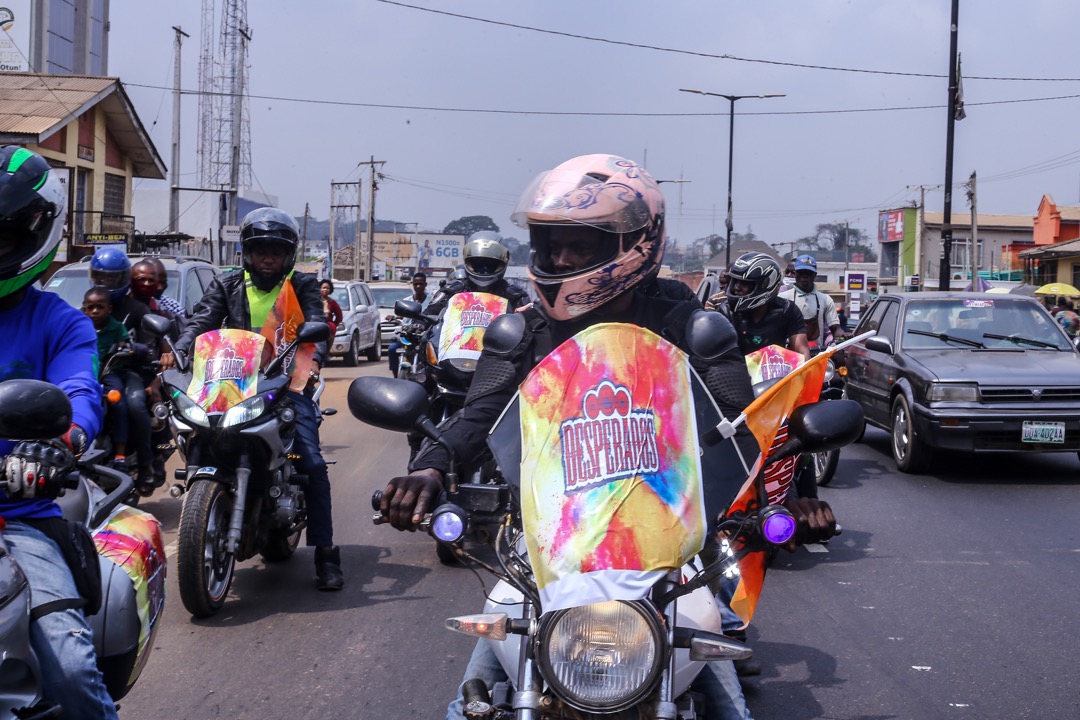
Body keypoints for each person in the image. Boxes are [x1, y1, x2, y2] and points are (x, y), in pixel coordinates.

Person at [380, 155, 837, 720]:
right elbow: (477, 417)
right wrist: (428, 467)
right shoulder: (520, 331)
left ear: (634, 244)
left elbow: (737, 432)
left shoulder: (693, 329)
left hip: (664, 545)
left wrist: (786, 502)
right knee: (472, 694)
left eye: (579, 245)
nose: (560, 260)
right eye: (551, 245)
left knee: (728, 701)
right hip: (550, 541)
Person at [166, 207, 344, 591]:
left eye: (276, 252)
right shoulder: (227, 283)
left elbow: (316, 326)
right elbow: (201, 322)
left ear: (288, 255)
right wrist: (178, 349)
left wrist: (314, 360)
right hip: (235, 381)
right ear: (247, 252)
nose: (268, 258)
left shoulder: (302, 285)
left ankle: (327, 554)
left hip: (287, 381)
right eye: (261, 250)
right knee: (198, 429)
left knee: (311, 463)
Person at [0, 146, 116, 717]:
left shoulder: (62, 323)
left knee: (70, 669)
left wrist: (59, 445)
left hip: (17, 516)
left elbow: (77, 396)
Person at [89, 247, 158, 491]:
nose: (106, 284)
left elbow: (150, 349)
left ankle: (146, 464)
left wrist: (135, 350)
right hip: (94, 373)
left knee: (135, 404)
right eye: (101, 278)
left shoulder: (137, 310)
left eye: (112, 278)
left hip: (128, 373)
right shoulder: (87, 310)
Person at [707, 251, 810, 360]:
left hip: (777, 369)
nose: (736, 288)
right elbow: (712, 353)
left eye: (744, 283)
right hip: (735, 369)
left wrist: (807, 366)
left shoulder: (787, 310)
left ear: (765, 285)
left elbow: (802, 352)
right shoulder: (726, 312)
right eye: (735, 282)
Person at [424, 231, 530, 317]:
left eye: (490, 264)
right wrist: (419, 324)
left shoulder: (515, 295)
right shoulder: (452, 290)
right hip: (455, 338)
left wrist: (527, 317)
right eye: (478, 263)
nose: (484, 268)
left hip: (501, 338)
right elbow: (429, 314)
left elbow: (532, 324)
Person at [82, 287, 132, 470]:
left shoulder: (116, 327)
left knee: (119, 403)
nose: (95, 311)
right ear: (84, 309)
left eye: (100, 307)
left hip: (109, 373)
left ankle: (120, 455)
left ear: (109, 309)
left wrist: (124, 348)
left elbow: (125, 343)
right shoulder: (80, 326)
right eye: (91, 307)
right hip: (85, 373)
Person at [779, 254, 844, 348]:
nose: (804, 276)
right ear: (795, 273)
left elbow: (835, 328)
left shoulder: (825, 299)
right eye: (801, 272)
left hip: (816, 353)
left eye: (808, 273)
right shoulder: (782, 298)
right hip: (788, 353)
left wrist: (842, 335)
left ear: (815, 275)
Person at [386, 271, 431, 378]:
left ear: (425, 284)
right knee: (392, 349)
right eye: (416, 284)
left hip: (424, 335)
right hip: (407, 335)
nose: (418, 286)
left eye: (421, 284)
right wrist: (394, 317)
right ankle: (396, 376)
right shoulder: (407, 301)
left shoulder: (432, 301)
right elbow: (401, 314)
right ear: (413, 285)